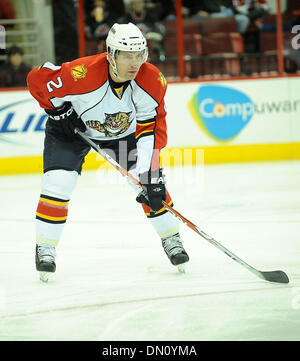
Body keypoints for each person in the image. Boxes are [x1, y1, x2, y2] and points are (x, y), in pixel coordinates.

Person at [26, 22, 189, 281]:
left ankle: (172, 239)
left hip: (123, 136)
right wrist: (57, 111)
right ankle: (45, 247)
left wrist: (151, 174)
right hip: (73, 132)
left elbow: (151, 130)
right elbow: (37, 78)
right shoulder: (82, 73)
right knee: (58, 183)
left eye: (139, 55)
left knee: (148, 186)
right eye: (127, 55)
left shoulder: (152, 79)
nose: (135, 63)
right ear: (111, 54)